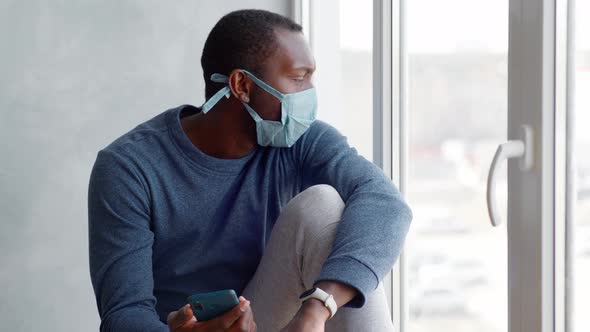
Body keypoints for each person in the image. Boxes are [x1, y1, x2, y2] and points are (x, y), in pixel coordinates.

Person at [88, 9, 412, 332]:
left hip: (273, 319)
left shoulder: (301, 139)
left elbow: (385, 202)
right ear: (241, 85)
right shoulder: (129, 167)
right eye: (299, 78)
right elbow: (124, 313)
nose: (310, 93)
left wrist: (318, 307)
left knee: (323, 205)